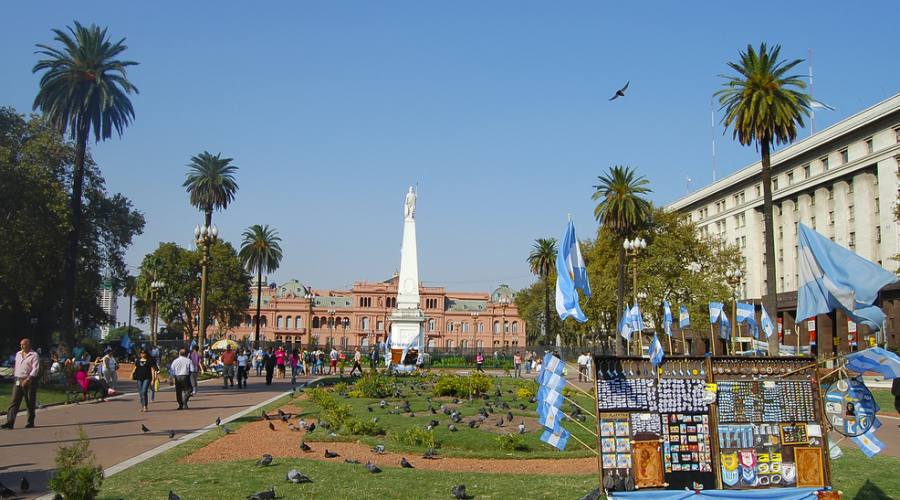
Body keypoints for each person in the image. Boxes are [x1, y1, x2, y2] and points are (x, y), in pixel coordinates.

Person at [3, 338, 41, 429]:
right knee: (14, 401)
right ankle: (10, 422)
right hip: (18, 379)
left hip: (29, 380)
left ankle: (30, 422)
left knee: (29, 402)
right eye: (21, 344)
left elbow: (35, 369)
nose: (22, 346)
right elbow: (17, 366)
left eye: (23, 344)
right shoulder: (18, 354)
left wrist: (28, 379)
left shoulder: (34, 355)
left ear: (28, 345)